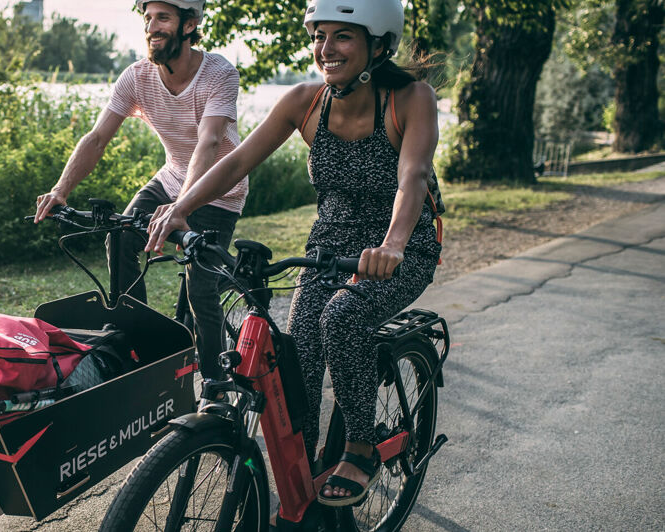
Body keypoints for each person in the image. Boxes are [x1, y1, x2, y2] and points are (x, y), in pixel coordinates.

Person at [144, 0, 442, 508]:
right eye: (319, 35)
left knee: (344, 316)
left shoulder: (410, 99)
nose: (326, 49)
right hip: (328, 249)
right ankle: (298, 490)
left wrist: (392, 244)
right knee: (294, 363)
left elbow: (411, 178)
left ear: (377, 42)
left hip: (401, 246)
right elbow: (237, 160)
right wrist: (181, 206)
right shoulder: (305, 101)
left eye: (343, 36)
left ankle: (362, 447)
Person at [33, 0, 248, 380]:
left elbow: (209, 141)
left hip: (218, 189)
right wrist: (60, 189)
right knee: (121, 238)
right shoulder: (136, 77)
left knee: (201, 289)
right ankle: (141, 344)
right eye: (148, 18)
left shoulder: (219, 73)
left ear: (189, 24)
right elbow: (98, 137)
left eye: (163, 18)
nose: (152, 26)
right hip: (172, 177)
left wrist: (183, 206)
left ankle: (215, 384)